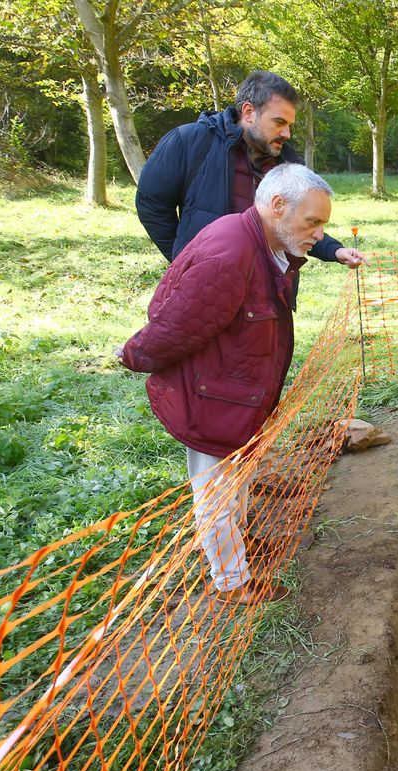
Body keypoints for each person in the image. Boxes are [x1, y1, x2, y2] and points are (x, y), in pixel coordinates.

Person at [118, 164, 334, 603]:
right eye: (313, 222)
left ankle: (236, 543)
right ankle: (232, 580)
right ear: (277, 207)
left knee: (235, 477)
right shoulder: (231, 253)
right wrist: (133, 355)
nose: (318, 234)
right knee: (214, 490)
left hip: (238, 390)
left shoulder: (263, 243)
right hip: (211, 396)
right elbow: (176, 324)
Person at [135, 70, 364, 269]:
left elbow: (299, 222)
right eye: (279, 122)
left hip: (267, 295)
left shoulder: (288, 163)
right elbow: (152, 204)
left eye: (289, 125)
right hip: (206, 288)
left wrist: (334, 250)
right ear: (248, 112)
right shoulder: (189, 141)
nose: (287, 134)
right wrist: (185, 260)